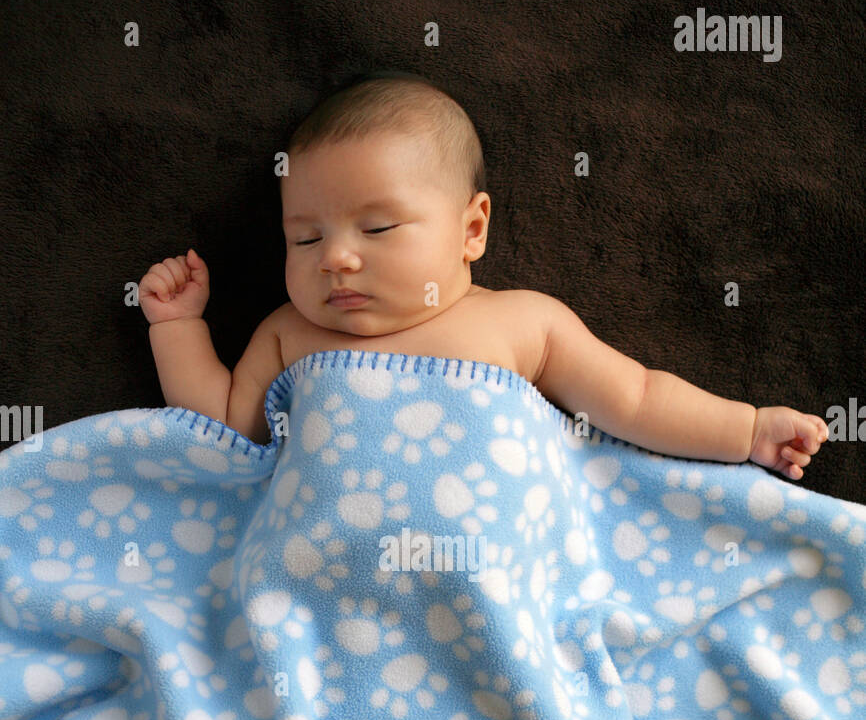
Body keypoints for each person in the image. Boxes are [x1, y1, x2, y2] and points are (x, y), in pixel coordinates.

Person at [139, 70, 828, 475]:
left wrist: (746, 431)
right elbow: (223, 437)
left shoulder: (521, 322)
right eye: (304, 237)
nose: (336, 258)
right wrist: (178, 328)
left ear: (471, 229)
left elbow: (637, 399)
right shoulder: (288, 333)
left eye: (378, 229)